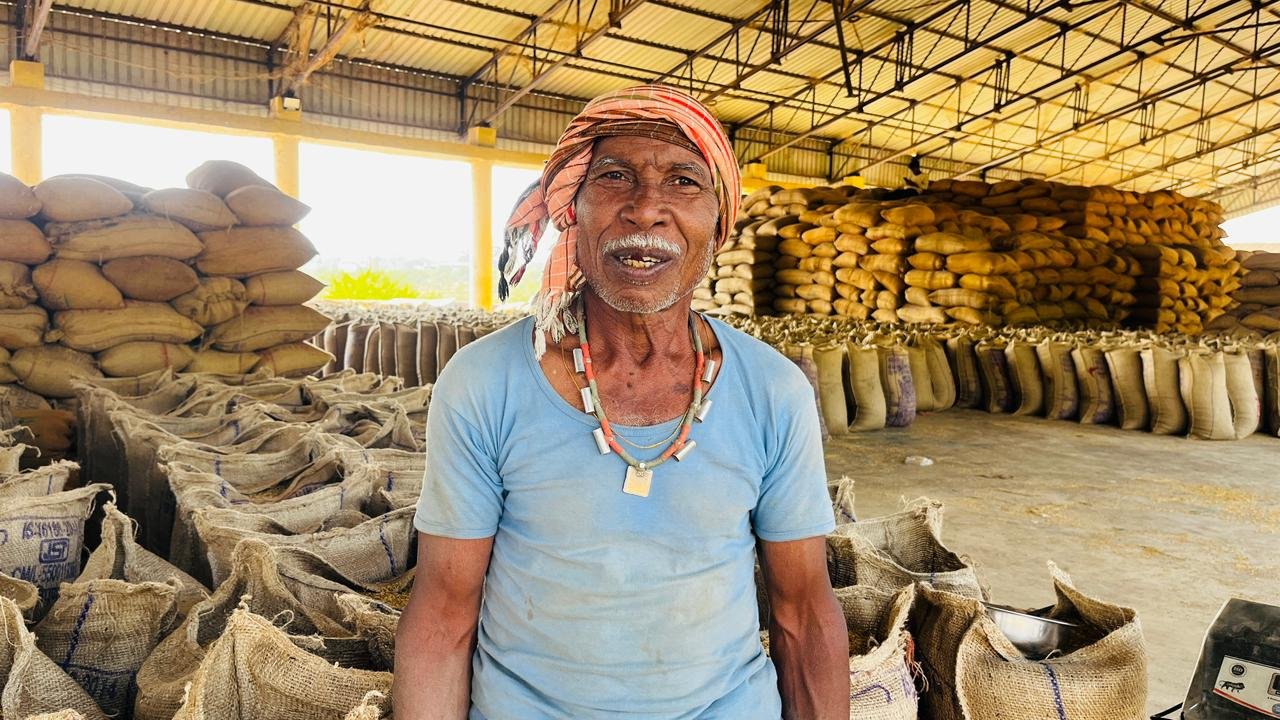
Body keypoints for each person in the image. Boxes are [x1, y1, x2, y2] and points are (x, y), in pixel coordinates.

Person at [394, 85, 848, 720]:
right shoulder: (483, 383)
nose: (646, 209)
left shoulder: (774, 391)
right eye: (615, 177)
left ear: (718, 222)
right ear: (571, 209)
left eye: (684, 181)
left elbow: (803, 610)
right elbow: (443, 612)